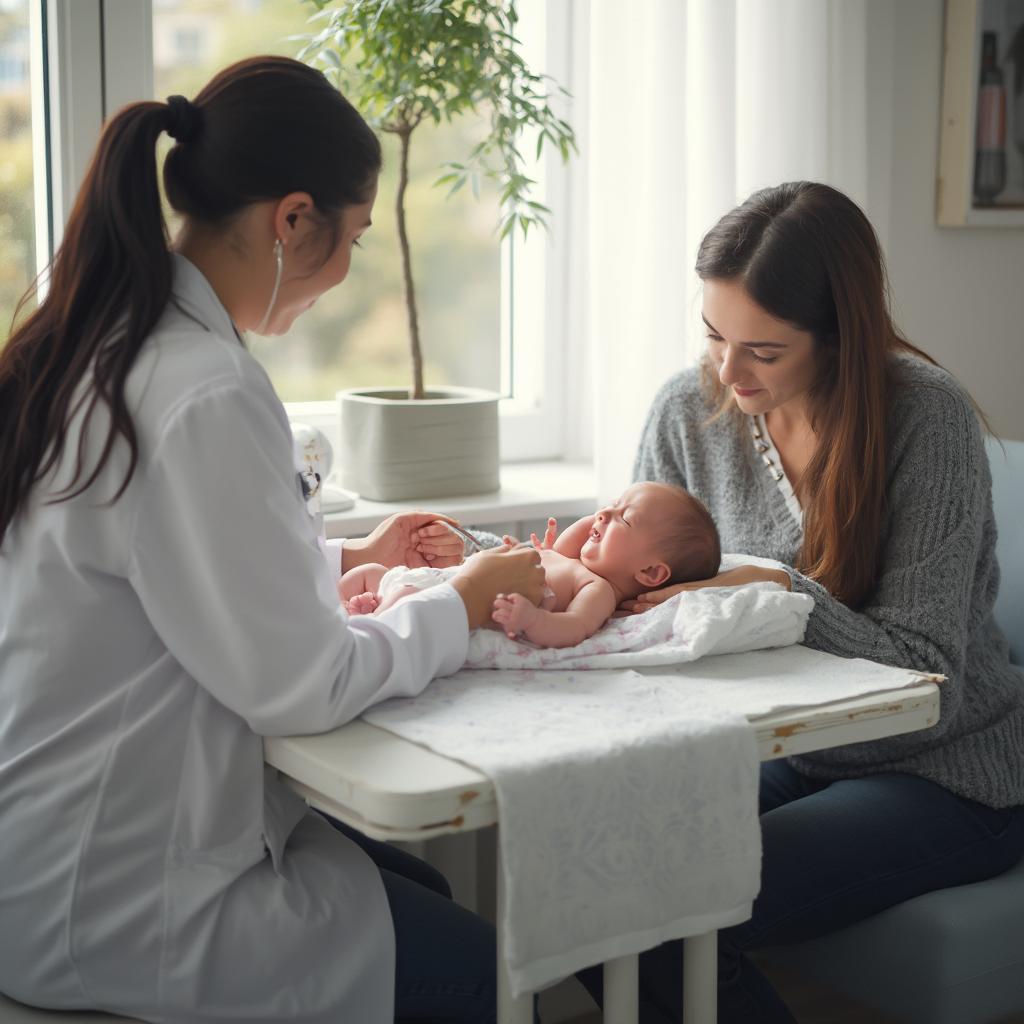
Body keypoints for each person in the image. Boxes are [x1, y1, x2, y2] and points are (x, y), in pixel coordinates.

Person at [0, 57, 547, 1024]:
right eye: (353, 241)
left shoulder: (94, 344)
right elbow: (300, 685)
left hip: (49, 854)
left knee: (420, 894)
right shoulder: (202, 386)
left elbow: (154, 570)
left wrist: (349, 561)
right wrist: (457, 603)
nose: (345, 277)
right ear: (293, 220)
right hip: (118, 902)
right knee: (489, 973)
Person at [578, 181, 1024, 1023]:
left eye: (764, 351)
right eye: (715, 335)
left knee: (665, 916)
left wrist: (778, 589)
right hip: (789, 751)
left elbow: (928, 683)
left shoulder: (927, 420)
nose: (727, 371)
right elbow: (641, 598)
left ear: (838, 339)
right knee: (587, 886)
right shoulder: (687, 409)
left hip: (944, 770)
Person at [339, 482, 721, 648]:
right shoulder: (565, 557)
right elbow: (567, 542)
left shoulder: (597, 589)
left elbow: (573, 628)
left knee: (402, 594)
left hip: (446, 597)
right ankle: (357, 609)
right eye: (611, 503)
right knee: (367, 573)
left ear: (650, 574)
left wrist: (532, 620)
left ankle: (372, 619)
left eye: (625, 517)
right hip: (446, 580)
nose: (603, 513)